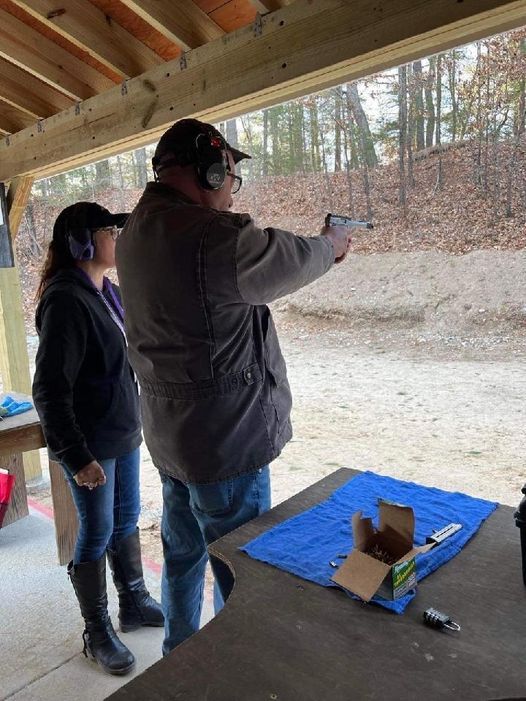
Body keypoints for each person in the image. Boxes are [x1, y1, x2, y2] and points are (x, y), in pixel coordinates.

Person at [115, 118, 351, 654]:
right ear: (210, 168)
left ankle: (179, 654)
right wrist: (331, 244)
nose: (229, 190)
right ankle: (236, 664)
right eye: (228, 176)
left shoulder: (134, 232)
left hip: (171, 438)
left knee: (181, 556)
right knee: (238, 567)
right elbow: (283, 260)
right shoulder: (210, 236)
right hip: (224, 442)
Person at [32, 202, 163, 676]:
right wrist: (76, 455)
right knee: (96, 533)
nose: (117, 238)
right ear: (83, 242)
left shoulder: (108, 290)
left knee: (125, 520)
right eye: (110, 230)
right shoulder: (65, 299)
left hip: (122, 432)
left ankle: (132, 600)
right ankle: (98, 631)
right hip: (90, 444)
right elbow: (48, 389)